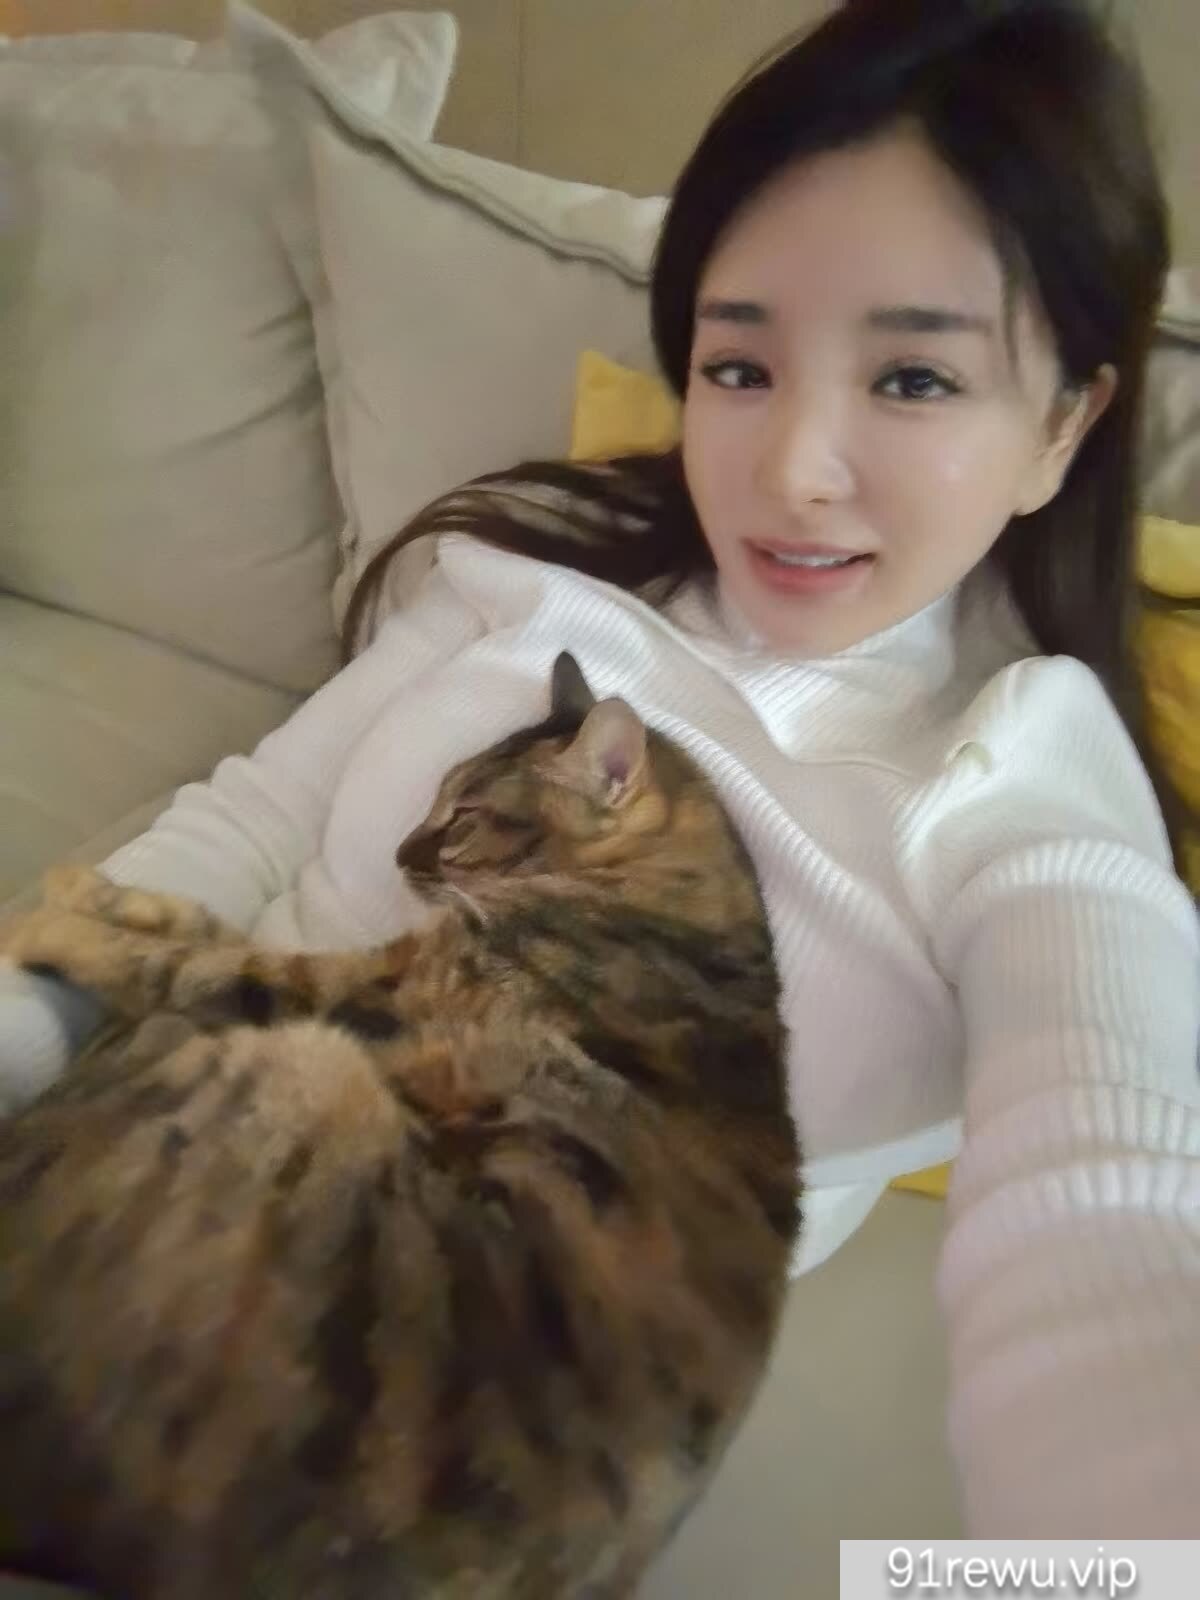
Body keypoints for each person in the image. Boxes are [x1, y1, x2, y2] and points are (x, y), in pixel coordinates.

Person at [2, 0, 1197, 1537]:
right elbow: (238, 831)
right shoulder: (530, 579)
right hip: (108, 1198)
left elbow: (1111, 1215)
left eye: (913, 380)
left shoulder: (1024, 785)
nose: (790, 471)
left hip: (375, 1429)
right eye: (739, 365)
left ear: (1066, 425)